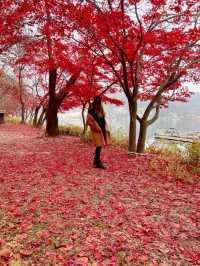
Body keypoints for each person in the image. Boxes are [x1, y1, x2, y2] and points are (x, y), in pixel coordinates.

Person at [86, 96, 110, 169]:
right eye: (96, 101)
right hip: (96, 130)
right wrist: (95, 127)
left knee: (99, 146)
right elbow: (89, 121)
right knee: (98, 145)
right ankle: (97, 162)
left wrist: (106, 128)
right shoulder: (91, 111)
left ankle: (96, 161)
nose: (97, 103)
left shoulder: (101, 110)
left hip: (102, 130)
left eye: (98, 101)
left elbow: (103, 120)